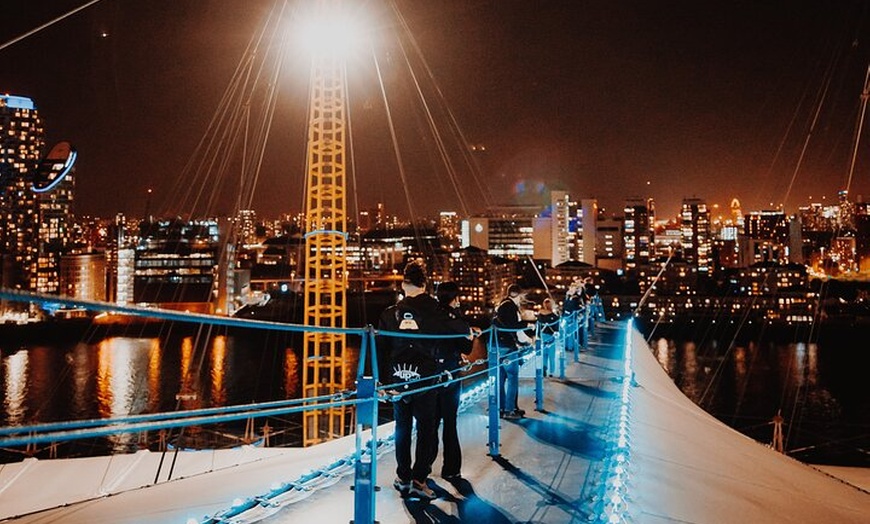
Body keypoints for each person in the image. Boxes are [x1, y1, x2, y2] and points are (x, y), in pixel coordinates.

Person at [377, 260, 470, 500]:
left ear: (403, 284)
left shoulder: (390, 313)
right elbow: (460, 335)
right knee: (426, 429)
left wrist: (381, 381)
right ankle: (420, 478)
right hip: (427, 378)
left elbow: (381, 349)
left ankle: (403, 477)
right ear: (425, 283)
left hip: (398, 379)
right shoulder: (436, 310)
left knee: (402, 428)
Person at [431, 281, 475, 481]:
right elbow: (467, 347)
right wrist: (471, 334)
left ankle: (422, 469)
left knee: (429, 424)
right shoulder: (456, 320)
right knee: (449, 423)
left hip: (431, 374)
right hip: (450, 373)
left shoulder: (431, 315)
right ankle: (451, 468)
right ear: (455, 299)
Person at [494, 283, 534, 420]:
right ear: (519, 295)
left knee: (500, 378)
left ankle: (500, 407)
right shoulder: (512, 308)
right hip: (508, 347)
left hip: (495, 346)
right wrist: (530, 337)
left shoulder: (500, 305)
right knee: (512, 377)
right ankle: (510, 409)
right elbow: (516, 330)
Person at [536, 298, 559, 377]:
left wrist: (538, 335)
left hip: (543, 336)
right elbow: (557, 328)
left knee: (544, 355)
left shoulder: (540, 315)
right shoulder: (554, 316)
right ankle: (552, 372)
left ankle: (544, 368)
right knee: (551, 355)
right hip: (551, 336)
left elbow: (538, 326)